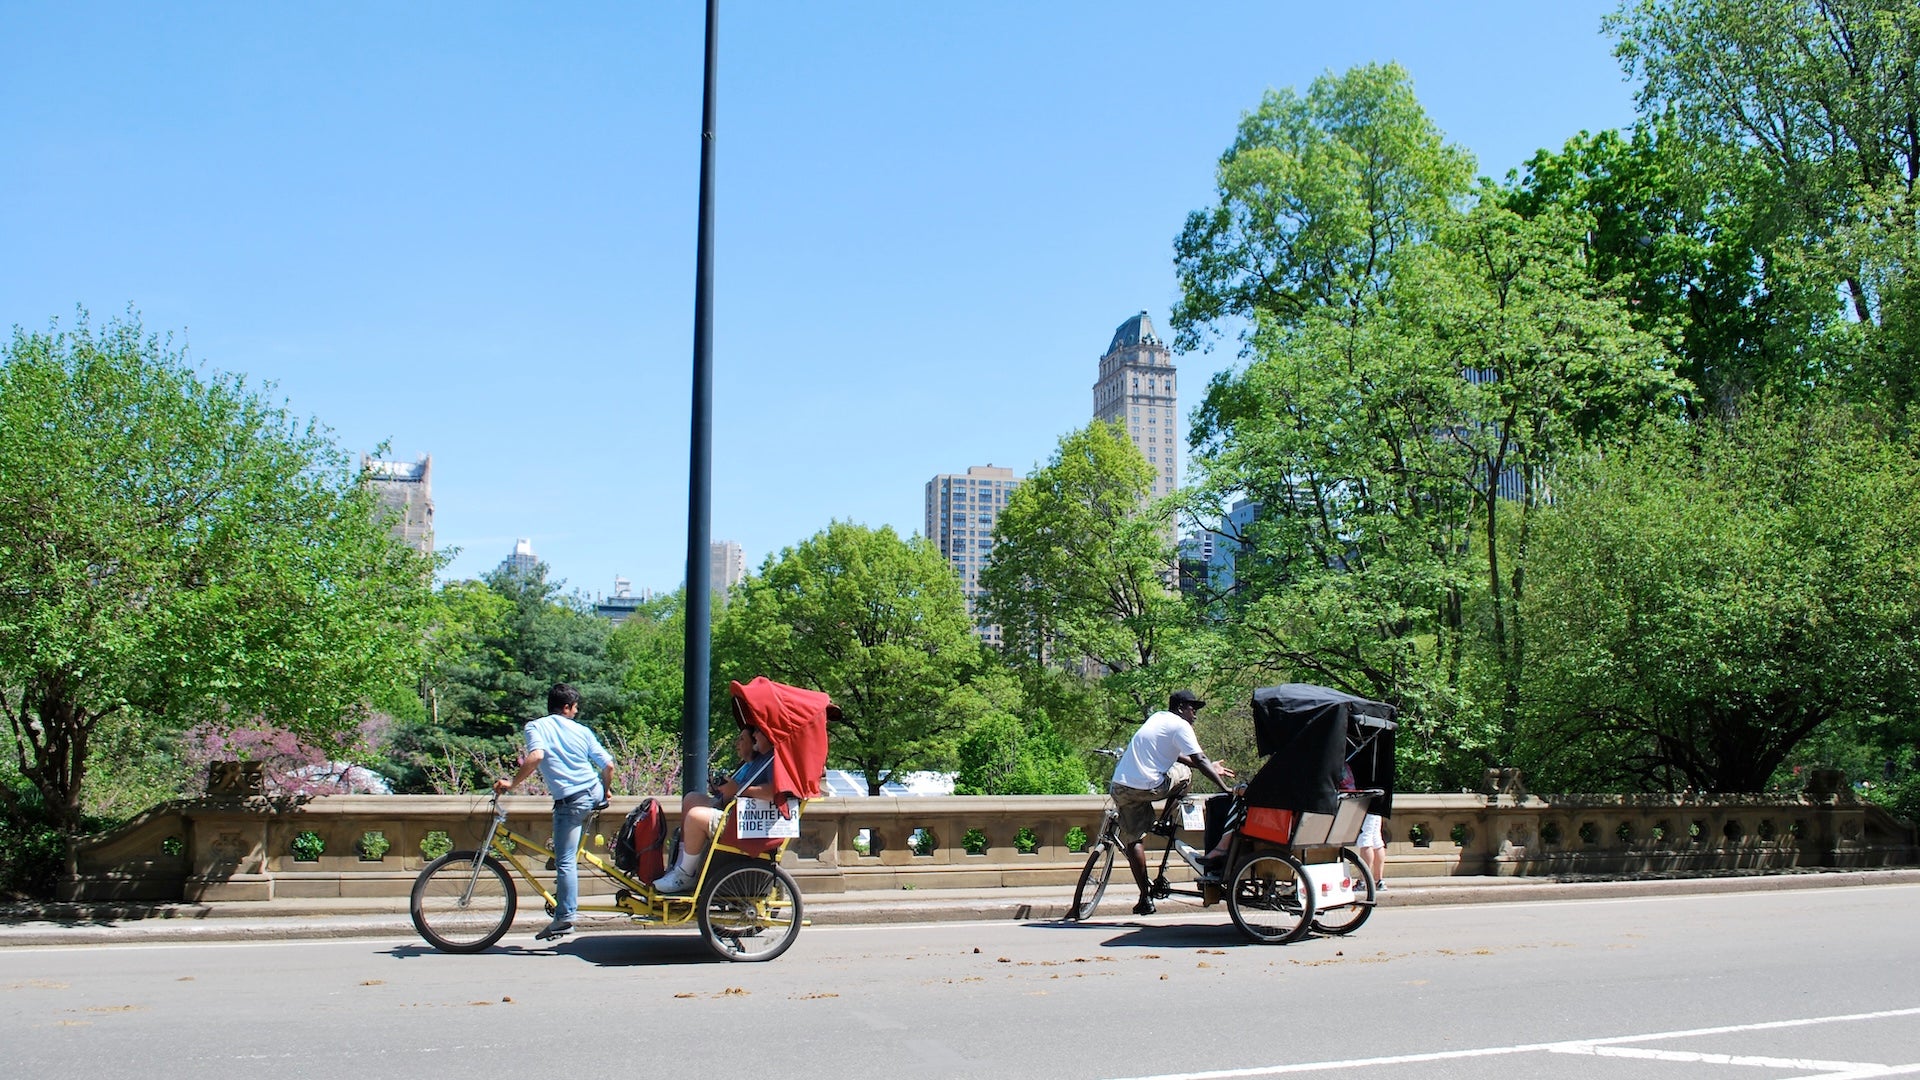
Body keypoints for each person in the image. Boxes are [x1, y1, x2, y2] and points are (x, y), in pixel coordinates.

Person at [494, 683, 614, 941]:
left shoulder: (535, 727)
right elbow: (609, 766)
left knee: (565, 860)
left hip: (571, 801)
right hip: (591, 792)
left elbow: (536, 756)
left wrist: (512, 784)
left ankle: (565, 917)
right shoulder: (582, 731)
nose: (577, 711)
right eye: (575, 707)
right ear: (567, 708)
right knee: (564, 851)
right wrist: (605, 790)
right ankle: (562, 885)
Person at [1109, 689, 1235, 915]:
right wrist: (1225, 788)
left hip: (1121, 786)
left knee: (1134, 840)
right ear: (1180, 708)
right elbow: (1199, 759)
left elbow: (1172, 754)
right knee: (1185, 774)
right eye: (1192, 707)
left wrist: (1208, 766)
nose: (1195, 713)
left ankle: (1145, 898)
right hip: (1149, 787)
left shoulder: (1157, 718)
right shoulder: (1180, 725)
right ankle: (1166, 820)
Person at [652, 720, 780, 894]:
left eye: (758, 731)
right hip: (736, 813)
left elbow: (774, 791)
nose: (755, 735)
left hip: (745, 822)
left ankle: (686, 875)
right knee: (691, 798)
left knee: (696, 816)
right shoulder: (761, 759)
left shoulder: (772, 760)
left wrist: (739, 789)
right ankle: (680, 866)